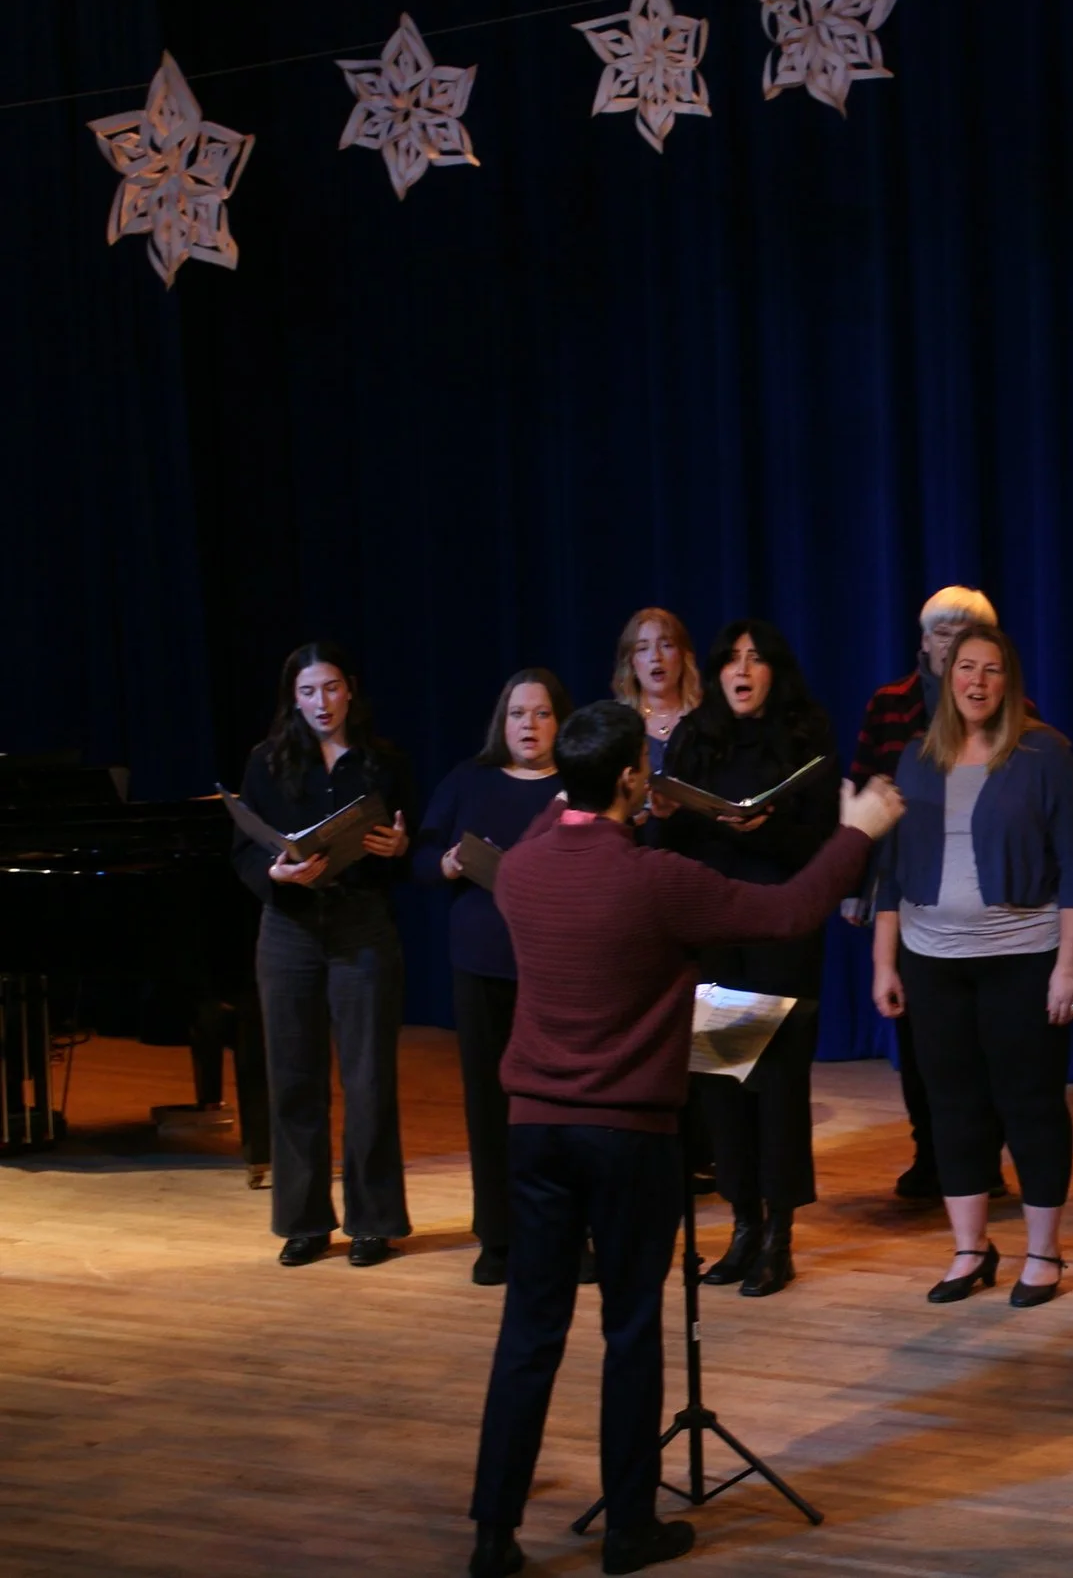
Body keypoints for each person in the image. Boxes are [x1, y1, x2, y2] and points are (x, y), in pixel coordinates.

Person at [466, 701, 901, 1578]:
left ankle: (492, 1535)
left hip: (536, 1132)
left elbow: (567, 820)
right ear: (632, 779)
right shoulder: (657, 879)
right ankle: (629, 1527)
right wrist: (857, 832)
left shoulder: (519, 871)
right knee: (631, 1329)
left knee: (529, 1334)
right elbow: (787, 913)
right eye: (645, 771)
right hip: (626, 1135)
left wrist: (609, 801)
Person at [872, 626, 1073, 1309]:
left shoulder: (1044, 752)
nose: (976, 681)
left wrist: (1070, 966)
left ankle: (1043, 1251)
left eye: (991, 670)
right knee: (953, 1109)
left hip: (1023, 959)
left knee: (1029, 1105)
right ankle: (970, 1248)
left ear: (1009, 681)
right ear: (947, 676)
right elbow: (890, 871)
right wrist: (885, 961)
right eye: (965, 668)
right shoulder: (915, 759)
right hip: (933, 960)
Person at [654, 621, 843, 1299]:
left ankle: (779, 1237)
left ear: (774, 672)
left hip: (781, 934)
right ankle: (740, 1225)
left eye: (755, 659)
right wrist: (663, 809)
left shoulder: (803, 736)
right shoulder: (697, 738)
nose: (742, 669)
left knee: (777, 1092)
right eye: (731, 658)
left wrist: (771, 828)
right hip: (719, 934)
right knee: (725, 1088)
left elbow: (825, 843)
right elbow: (669, 834)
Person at [846, 586, 1035, 1201]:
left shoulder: (1014, 706)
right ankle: (932, 1151)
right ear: (924, 641)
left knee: (988, 1042)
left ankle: (986, 1161)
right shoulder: (889, 703)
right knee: (921, 1034)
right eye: (942, 631)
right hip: (908, 885)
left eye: (965, 630)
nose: (952, 642)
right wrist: (856, 885)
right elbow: (862, 791)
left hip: (989, 898)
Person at [230, 641, 415, 1269]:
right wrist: (276, 874)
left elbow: (409, 848)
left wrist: (397, 850)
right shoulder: (266, 761)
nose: (320, 703)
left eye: (330, 688)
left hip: (361, 925)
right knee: (294, 1077)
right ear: (293, 697)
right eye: (308, 691)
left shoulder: (381, 762)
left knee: (367, 1080)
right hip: (289, 927)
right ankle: (304, 1222)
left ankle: (374, 1221)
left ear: (350, 690)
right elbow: (245, 849)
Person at [413, 668, 575, 1287]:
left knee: (559, 1109)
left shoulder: (575, 785)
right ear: (499, 723)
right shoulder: (468, 780)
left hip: (556, 969)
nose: (528, 726)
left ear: (560, 722)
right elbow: (421, 859)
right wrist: (450, 863)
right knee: (490, 1106)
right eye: (517, 714)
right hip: (481, 965)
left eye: (540, 714)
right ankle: (499, 1237)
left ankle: (567, 1232)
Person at [611, 608, 703, 781]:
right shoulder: (618, 728)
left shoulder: (707, 720)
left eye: (666, 645)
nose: (656, 656)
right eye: (643, 648)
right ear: (631, 663)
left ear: (683, 656)